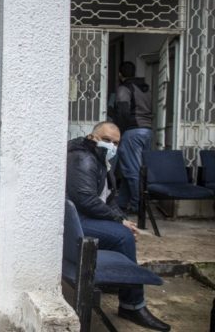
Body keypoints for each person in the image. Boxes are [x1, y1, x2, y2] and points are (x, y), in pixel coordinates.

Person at [66, 122, 170, 331]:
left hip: (87, 217)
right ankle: (132, 305)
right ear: (92, 137)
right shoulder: (83, 158)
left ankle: (119, 282)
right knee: (123, 237)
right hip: (77, 221)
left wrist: (122, 219)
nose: (111, 145)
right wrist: (119, 222)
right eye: (106, 140)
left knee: (124, 231)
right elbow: (85, 199)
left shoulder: (101, 158)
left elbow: (109, 198)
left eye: (116, 142)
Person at [113, 61, 153, 214]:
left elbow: (123, 112)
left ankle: (138, 206)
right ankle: (122, 202)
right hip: (147, 131)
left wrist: (118, 132)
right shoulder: (145, 88)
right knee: (134, 169)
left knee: (131, 170)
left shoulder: (125, 88)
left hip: (132, 131)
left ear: (120, 74)